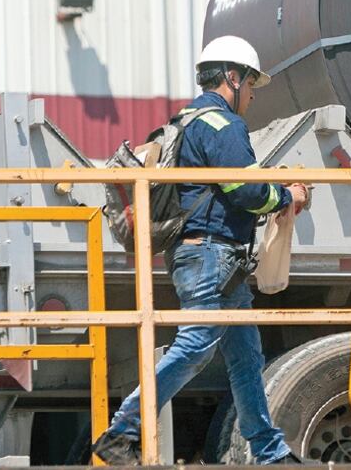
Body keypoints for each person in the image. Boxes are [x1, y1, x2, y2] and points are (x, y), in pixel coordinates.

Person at [93, 36, 308, 465]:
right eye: (250, 83)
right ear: (232, 76)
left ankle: (269, 452)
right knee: (194, 346)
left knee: (246, 358)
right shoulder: (223, 125)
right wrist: (285, 195)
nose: (250, 94)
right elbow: (245, 190)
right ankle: (121, 432)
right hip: (212, 255)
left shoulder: (186, 119)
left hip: (212, 257)